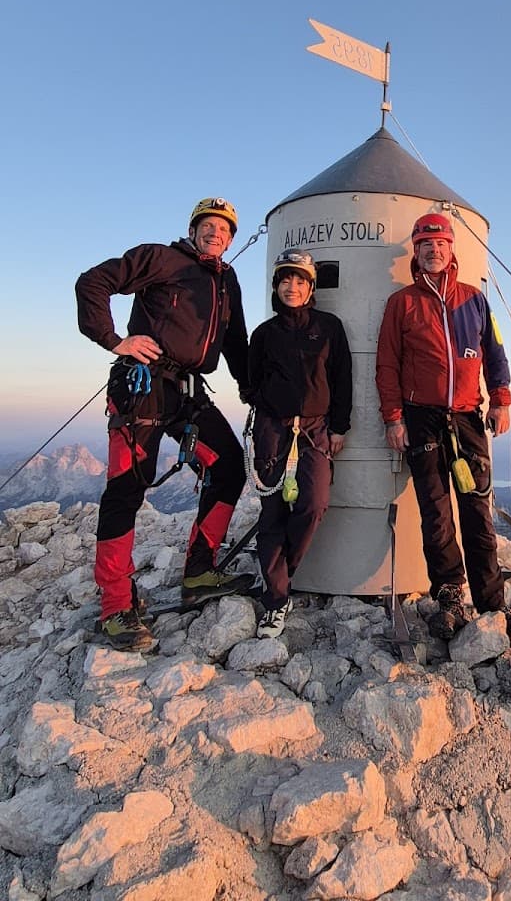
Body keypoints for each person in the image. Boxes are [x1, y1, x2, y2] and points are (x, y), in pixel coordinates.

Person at [76, 197, 254, 651]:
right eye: (208, 226)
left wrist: (257, 393)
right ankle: (116, 605)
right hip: (142, 385)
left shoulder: (226, 280)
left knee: (229, 466)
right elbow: (93, 282)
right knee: (126, 488)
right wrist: (116, 341)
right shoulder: (161, 258)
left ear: (231, 239)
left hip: (188, 390)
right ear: (194, 229)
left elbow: (235, 343)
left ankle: (199, 572)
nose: (216, 234)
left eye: (224, 230)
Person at [375, 212, 511, 643]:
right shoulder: (401, 303)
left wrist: (501, 398)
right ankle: (450, 600)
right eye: (425, 244)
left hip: (467, 418)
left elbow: (494, 351)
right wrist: (393, 418)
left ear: (451, 248)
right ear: (416, 252)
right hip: (420, 419)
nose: (434, 250)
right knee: (436, 514)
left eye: (441, 243)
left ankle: (492, 605)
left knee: (477, 512)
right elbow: (386, 365)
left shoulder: (474, 301)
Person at [246, 250, 352, 638]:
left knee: (313, 503)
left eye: (300, 281)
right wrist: (267, 403)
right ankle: (276, 600)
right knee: (272, 509)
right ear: (276, 287)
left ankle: (278, 574)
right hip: (273, 428)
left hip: (316, 430)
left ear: (311, 289)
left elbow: (342, 377)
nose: (292, 287)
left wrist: (339, 427)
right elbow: (250, 380)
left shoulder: (329, 328)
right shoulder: (264, 334)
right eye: (285, 281)